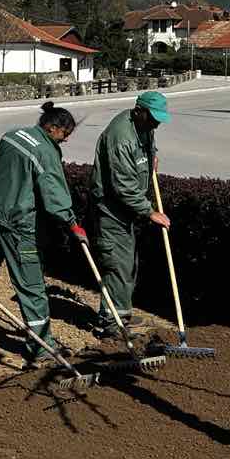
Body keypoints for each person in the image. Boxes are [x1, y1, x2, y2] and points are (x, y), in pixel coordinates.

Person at [0, 101, 80, 365]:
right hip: (17, 224)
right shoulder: (44, 151)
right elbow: (54, 195)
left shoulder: (12, 136)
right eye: (64, 135)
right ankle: (42, 347)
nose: (64, 141)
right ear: (52, 128)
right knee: (31, 285)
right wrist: (72, 223)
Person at [87, 91, 171, 341]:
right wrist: (149, 211)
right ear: (138, 111)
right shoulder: (120, 137)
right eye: (153, 119)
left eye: (159, 120)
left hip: (126, 209)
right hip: (111, 209)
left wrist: (151, 155)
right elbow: (123, 186)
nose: (156, 124)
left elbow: (147, 144)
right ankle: (110, 324)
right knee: (117, 264)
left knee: (128, 263)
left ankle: (121, 313)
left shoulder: (143, 125)